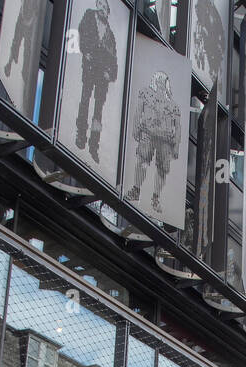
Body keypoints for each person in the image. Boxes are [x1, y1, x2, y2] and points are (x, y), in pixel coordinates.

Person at [127, 71, 181, 214]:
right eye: (159, 81)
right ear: (155, 82)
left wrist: (176, 146)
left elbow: (178, 126)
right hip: (148, 133)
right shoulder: (146, 93)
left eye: (163, 82)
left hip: (166, 140)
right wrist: (135, 128)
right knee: (142, 161)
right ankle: (136, 190)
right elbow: (138, 111)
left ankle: (156, 198)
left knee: (162, 169)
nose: (161, 84)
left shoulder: (173, 105)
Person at [75, 0, 118, 164]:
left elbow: (115, 61)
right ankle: (81, 135)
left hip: (102, 75)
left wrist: (110, 74)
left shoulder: (111, 34)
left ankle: (94, 145)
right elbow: (80, 32)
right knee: (85, 100)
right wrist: (85, 51)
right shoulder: (88, 16)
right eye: (100, 4)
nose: (101, 8)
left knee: (98, 110)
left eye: (105, 6)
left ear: (108, 11)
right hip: (90, 67)